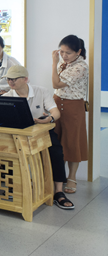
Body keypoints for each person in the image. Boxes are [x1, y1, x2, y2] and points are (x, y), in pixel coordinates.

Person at [4, 65, 74, 210]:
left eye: (14, 79)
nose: (11, 82)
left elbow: (55, 112)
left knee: (56, 151)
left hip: (41, 132)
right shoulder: (6, 97)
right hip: (19, 135)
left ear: (25, 79)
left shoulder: (41, 91)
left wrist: (49, 119)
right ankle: (12, 187)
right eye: (9, 79)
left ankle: (58, 191)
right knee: (7, 151)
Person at [52, 34, 88, 195]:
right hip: (57, 103)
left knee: (72, 142)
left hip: (73, 106)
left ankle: (72, 177)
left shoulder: (81, 67)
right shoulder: (64, 63)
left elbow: (56, 83)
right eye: (61, 52)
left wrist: (54, 63)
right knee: (56, 142)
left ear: (78, 52)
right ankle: (58, 176)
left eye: (68, 53)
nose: (64, 56)